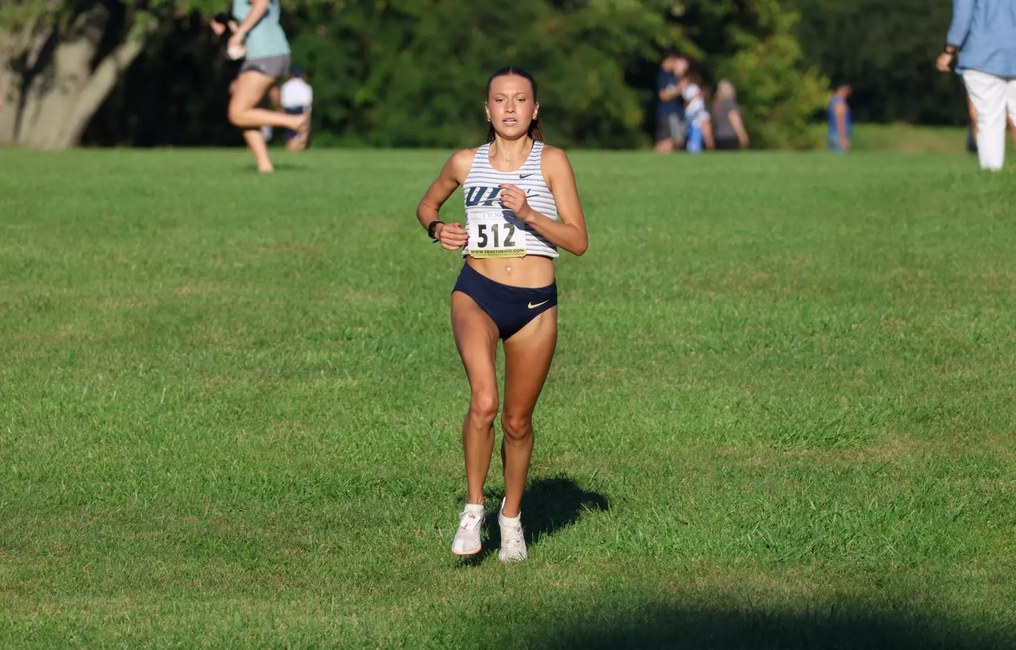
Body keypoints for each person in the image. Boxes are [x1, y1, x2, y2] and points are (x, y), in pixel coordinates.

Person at [415, 67, 588, 562]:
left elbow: (577, 241)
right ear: (486, 109)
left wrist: (532, 214)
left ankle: (511, 516)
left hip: (535, 305)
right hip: (477, 292)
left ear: (535, 111)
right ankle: (474, 509)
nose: (510, 108)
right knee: (484, 401)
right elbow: (428, 204)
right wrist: (438, 229)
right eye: (500, 99)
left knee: (516, 420)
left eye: (520, 100)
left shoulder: (551, 161)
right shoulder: (465, 162)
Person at [210, 0, 308, 172]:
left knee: (237, 112)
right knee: (242, 108)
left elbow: (261, 4)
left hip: (266, 54)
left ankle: (294, 121)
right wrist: (229, 28)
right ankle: (264, 166)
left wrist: (239, 33)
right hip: (262, 54)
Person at [938, 0, 1016, 170]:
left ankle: (992, 174)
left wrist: (949, 51)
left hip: (982, 57)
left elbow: (963, 17)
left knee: (989, 120)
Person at [655, 52, 689, 153]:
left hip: (675, 113)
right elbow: (663, 95)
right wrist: (678, 90)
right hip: (667, 112)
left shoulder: (675, 77)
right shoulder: (663, 76)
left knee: (671, 140)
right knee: (668, 141)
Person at [280, 65, 313, 151]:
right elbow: (307, 104)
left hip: (288, 111)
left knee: (290, 133)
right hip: (300, 110)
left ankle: (291, 147)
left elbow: (283, 102)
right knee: (302, 133)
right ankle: (300, 147)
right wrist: (307, 116)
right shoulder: (306, 87)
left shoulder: (285, 86)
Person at [679, 73, 714, 153]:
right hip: (692, 118)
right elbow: (687, 103)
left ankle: (705, 150)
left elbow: (698, 105)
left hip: (697, 118)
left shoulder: (693, 89)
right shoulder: (689, 90)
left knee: (702, 137)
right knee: (693, 139)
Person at [712, 79, 750, 151]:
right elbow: (735, 120)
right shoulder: (730, 103)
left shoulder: (717, 104)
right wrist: (743, 136)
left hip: (718, 137)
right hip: (729, 137)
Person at [827, 83, 852, 153]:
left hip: (831, 134)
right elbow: (840, 120)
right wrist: (843, 138)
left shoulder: (832, 101)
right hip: (838, 135)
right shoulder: (840, 103)